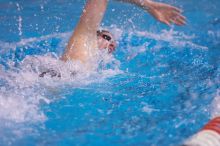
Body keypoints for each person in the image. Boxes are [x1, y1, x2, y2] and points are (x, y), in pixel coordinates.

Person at [40, 0, 186, 77]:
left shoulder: (93, 70)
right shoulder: (83, 42)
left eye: (113, 44)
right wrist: (148, 5)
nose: (111, 45)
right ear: (93, 34)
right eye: (106, 37)